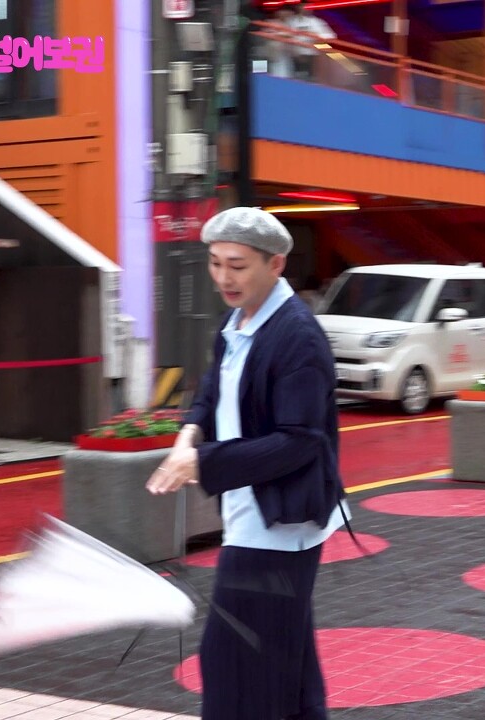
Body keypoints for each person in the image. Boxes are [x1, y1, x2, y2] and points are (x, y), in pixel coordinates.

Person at [146, 206, 346, 720]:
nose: (223, 278)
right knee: (288, 669)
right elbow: (210, 393)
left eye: (237, 265)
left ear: (275, 264)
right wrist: (188, 436)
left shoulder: (297, 337)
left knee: (234, 666)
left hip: (279, 527)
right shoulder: (236, 323)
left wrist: (204, 464)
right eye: (215, 263)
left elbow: (301, 442)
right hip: (249, 516)